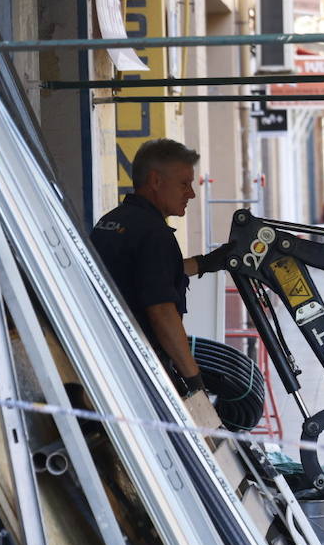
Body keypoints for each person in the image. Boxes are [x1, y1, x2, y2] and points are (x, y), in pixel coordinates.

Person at [91, 138, 231, 393]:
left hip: (105, 359)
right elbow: (162, 312)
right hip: (139, 370)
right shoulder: (154, 234)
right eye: (183, 184)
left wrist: (206, 263)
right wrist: (193, 378)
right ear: (155, 181)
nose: (191, 193)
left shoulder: (112, 221)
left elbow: (139, 274)